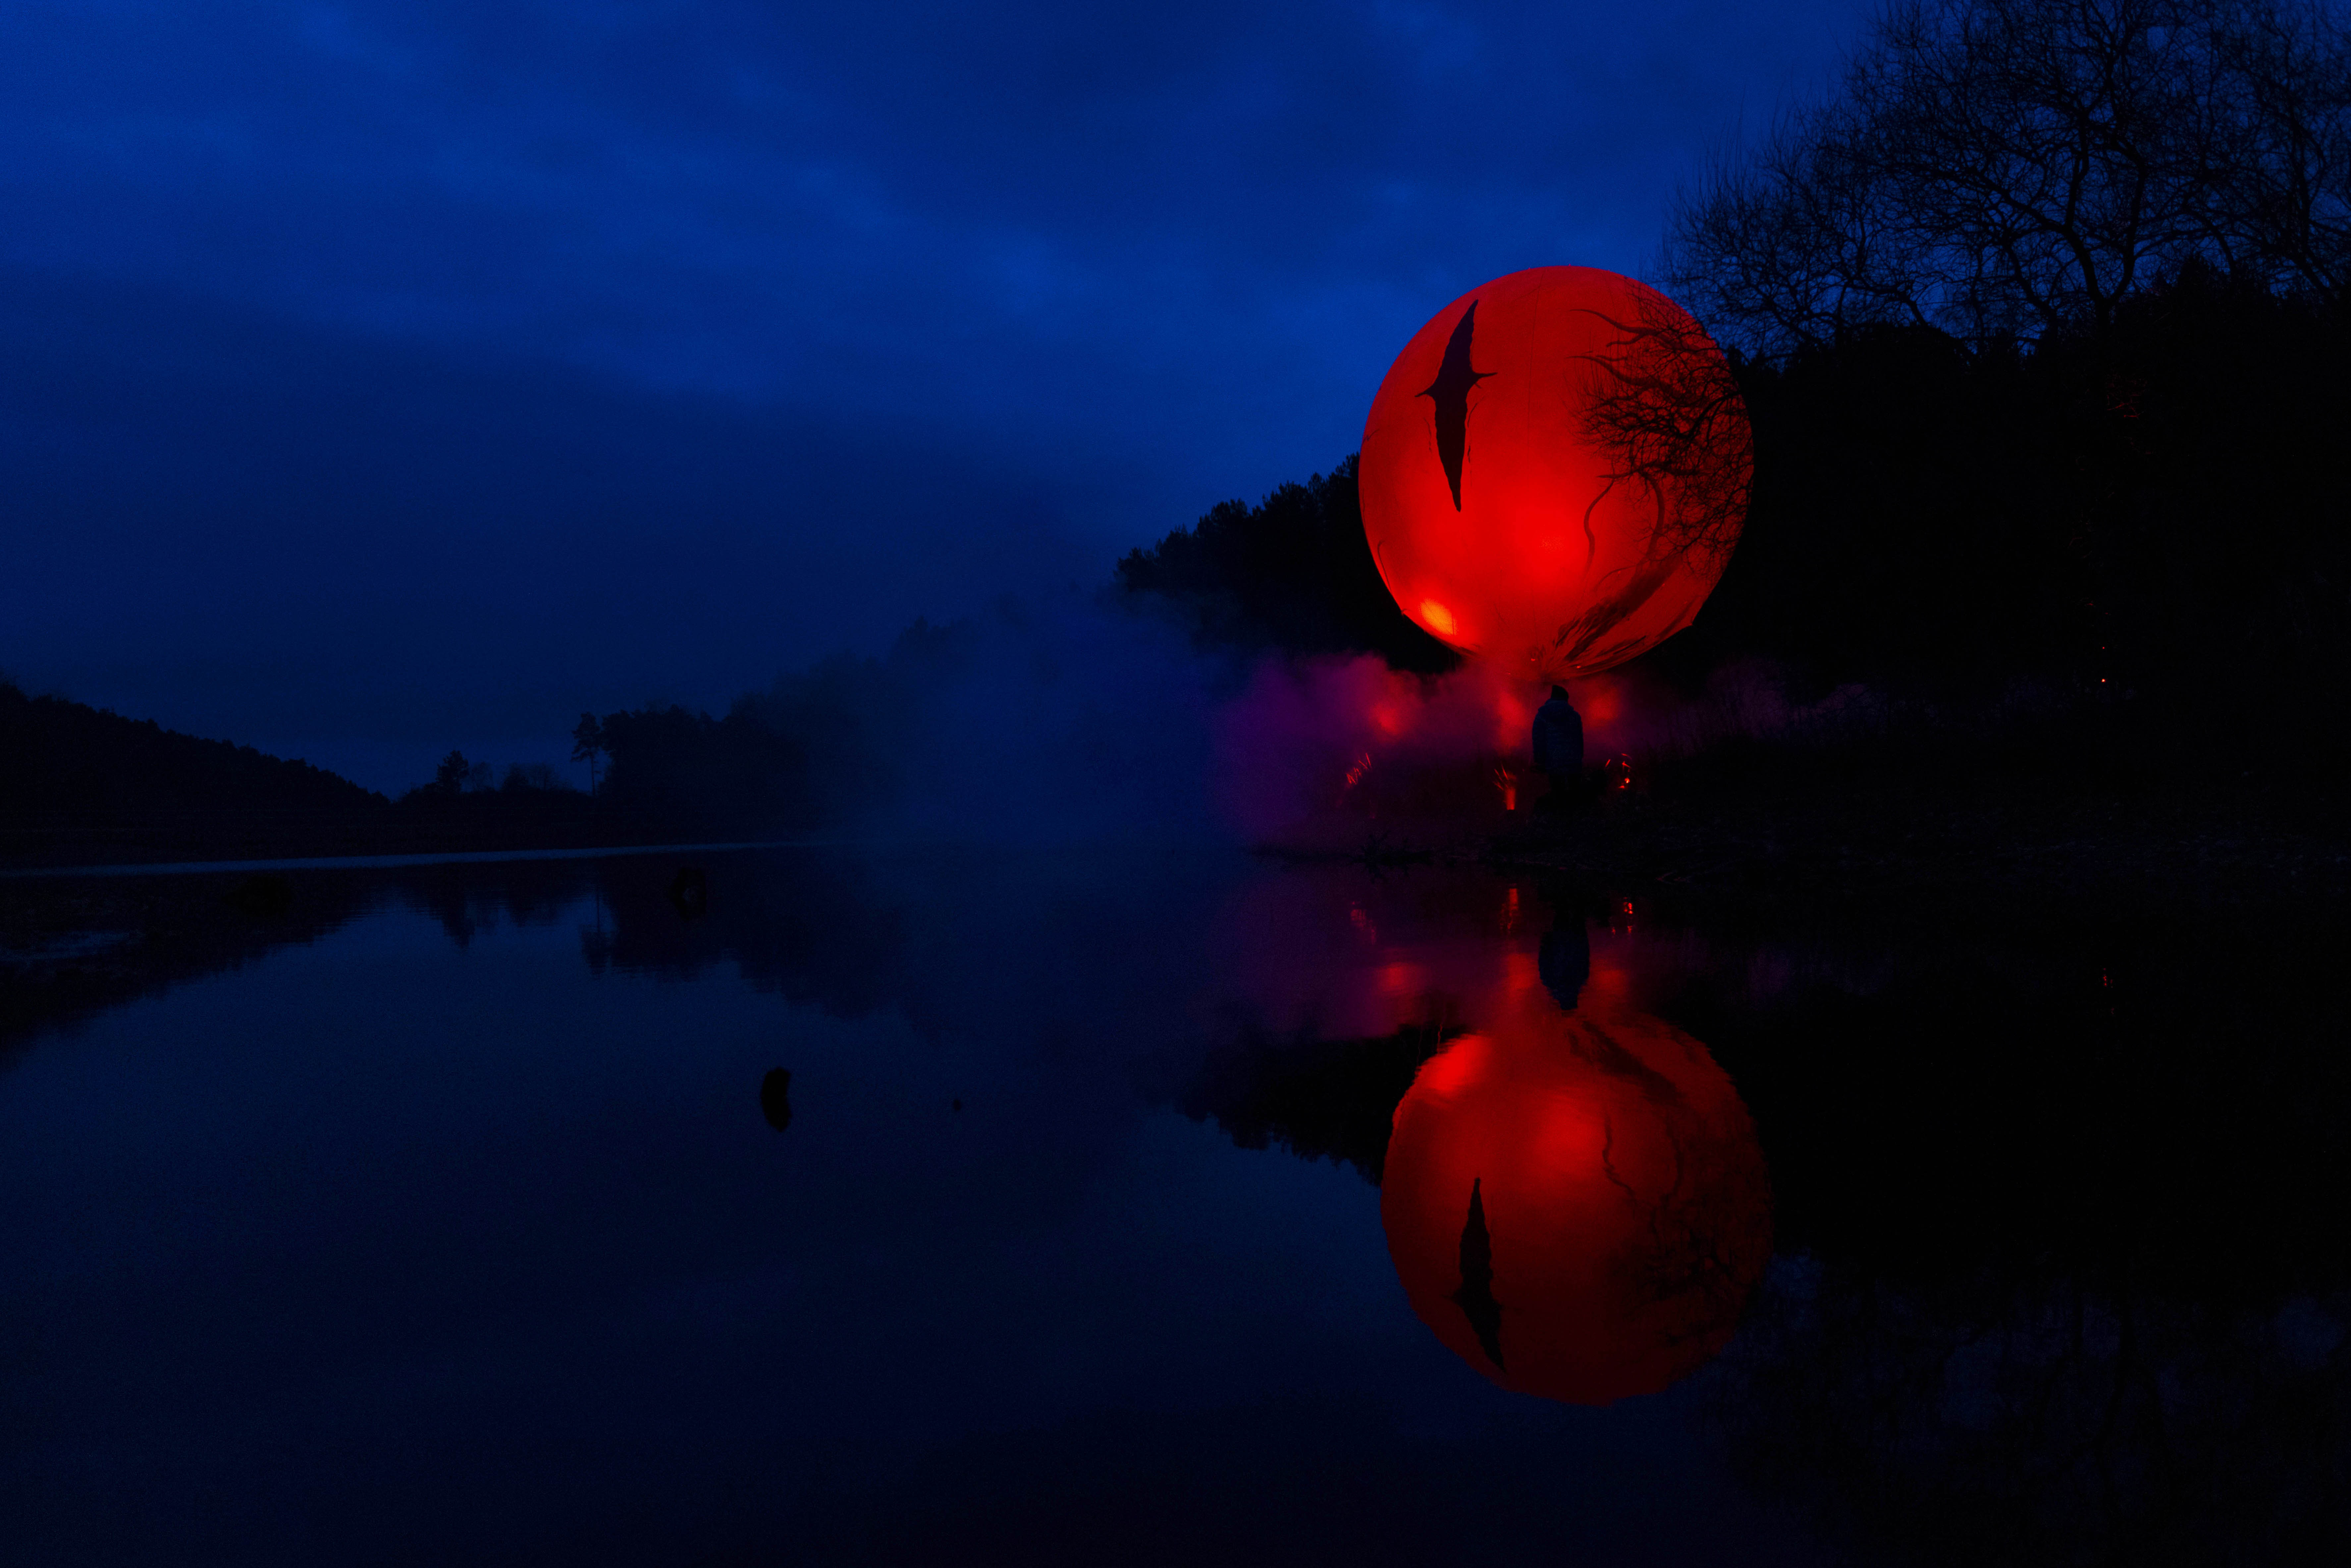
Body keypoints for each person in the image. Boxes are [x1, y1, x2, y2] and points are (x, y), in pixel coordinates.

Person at [1532, 684, 1583, 812]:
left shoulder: (1542, 716)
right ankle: (1575, 825)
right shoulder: (1575, 716)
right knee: (1574, 795)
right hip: (1573, 761)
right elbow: (1579, 739)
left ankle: (1560, 822)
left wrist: (1540, 760)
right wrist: (1580, 757)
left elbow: (1538, 740)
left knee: (1558, 793)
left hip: (1553, 761)